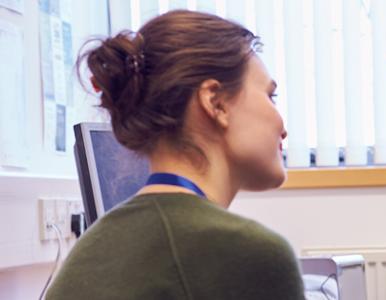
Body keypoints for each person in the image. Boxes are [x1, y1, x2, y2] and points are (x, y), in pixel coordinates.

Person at [46, 10, 304, 299]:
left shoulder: (90, 249)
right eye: (270, 96)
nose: (282, 126)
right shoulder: (248, 254)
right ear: (216, 103)